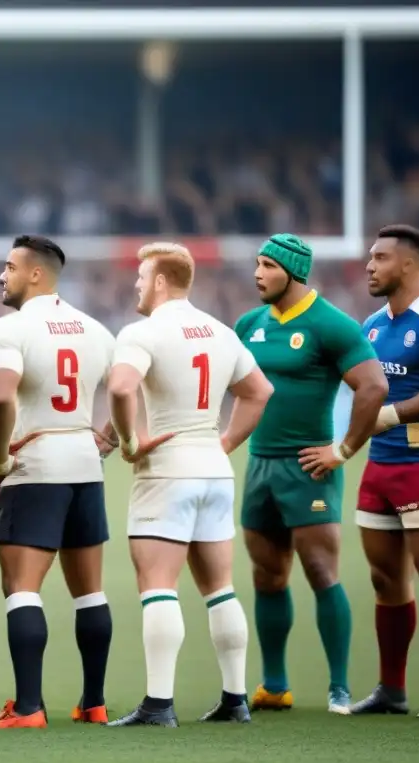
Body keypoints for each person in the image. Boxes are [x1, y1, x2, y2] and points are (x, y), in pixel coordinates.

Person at [101, 243, 273, 727]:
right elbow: (260, 391)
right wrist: (225, 442)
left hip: (167, 468)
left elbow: (119, 387)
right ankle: (236, 698)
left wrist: (131, 442)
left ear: (160, 281)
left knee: (158, 585)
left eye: (141, 276)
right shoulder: (220, 331)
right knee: (220, 588)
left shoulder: (143, 331)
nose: (136, 284)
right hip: (214, 470)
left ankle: (158, 704)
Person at [234, 233, 388, 714]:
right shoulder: (249, 323)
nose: (257, 274)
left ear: (293, 272)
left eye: (266, 265)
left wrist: (342, 450)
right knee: (267, 575)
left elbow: (373, 386)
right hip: (260, 463)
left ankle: (339, 687)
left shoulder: (330, 325)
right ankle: (274, 684)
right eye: (256, 264)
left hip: (309, 466)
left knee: (322, 572)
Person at [0, 235, 116, 730]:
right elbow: (122, 392)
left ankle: (29, 708)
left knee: (22, 589)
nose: (1, 275)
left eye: (10, 267)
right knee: (90, 592)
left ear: (36, 274)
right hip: (84, 463)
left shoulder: (9, 329)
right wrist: (109, 439)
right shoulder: (97, 331)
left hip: (34, 466)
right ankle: (94, 703)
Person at [350, 224, 419, 719]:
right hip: (380, 466)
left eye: (379, 258)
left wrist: (391, 415)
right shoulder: (372, 325)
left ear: (410, 265)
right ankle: (391, 691)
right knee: (384, 577)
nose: (370, 266)